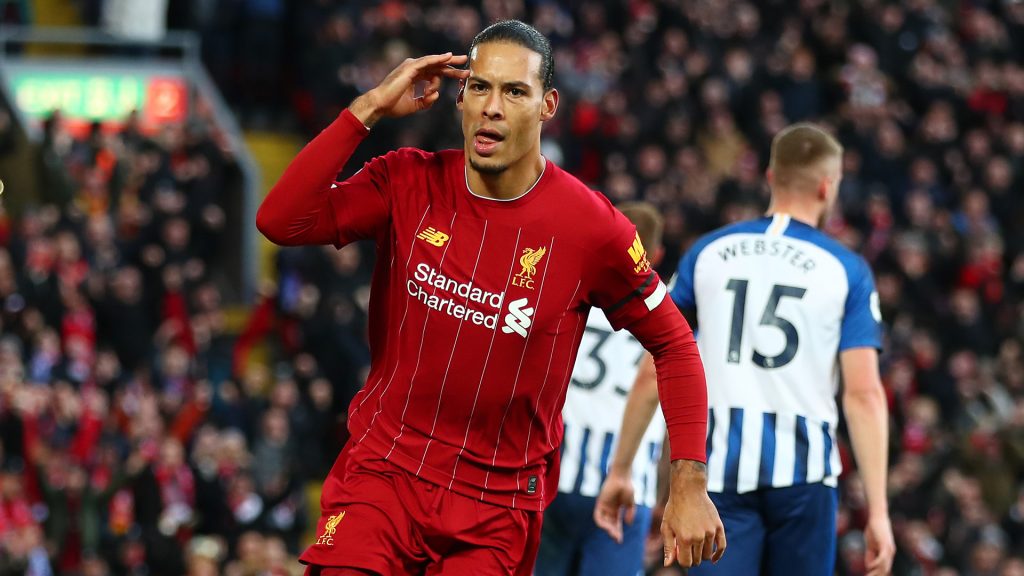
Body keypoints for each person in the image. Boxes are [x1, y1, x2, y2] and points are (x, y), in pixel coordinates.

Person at [256, 19, 725, 576]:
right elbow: (280, 220)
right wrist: (370, 109)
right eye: (479, 87)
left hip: (496, 507)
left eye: (514, 91)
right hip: (384, 474)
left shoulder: (592, 229)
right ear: (460, 96)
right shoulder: (407, 181)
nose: (492, 107)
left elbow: (674, 344)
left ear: (548, 105)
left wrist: (689, 480)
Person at [595, 123, 896, 575]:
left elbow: (655, 364)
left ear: (771, 177)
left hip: (717, 474)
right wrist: (878, 512)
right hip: (805, 477)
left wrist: (620, 470)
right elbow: (864, 395)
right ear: (827, 186)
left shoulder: (709, 252)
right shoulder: (847, 270)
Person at [534, 201, 670, 576]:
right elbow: (677, 412)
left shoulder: (562, 290)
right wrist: (667, 495)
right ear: (655, 255)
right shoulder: (668, 315)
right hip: (627, 487)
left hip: (552, 476)